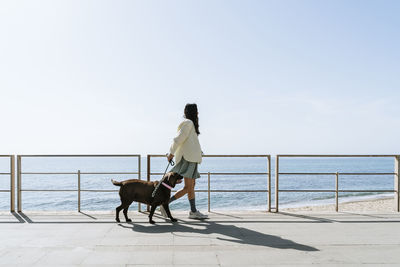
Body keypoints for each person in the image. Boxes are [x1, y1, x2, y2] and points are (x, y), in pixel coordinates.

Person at [161, 103, 208, 219]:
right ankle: (168, 204)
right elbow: (178, 139)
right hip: (188, 159)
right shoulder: (188, 123)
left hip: (191, 159)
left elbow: (189, 143)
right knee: (189, 187)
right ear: (195, 113)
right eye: (197, 111)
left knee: (190, 187)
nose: (198, 114)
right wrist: (171, 153)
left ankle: (191, 211)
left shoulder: (190, 125)